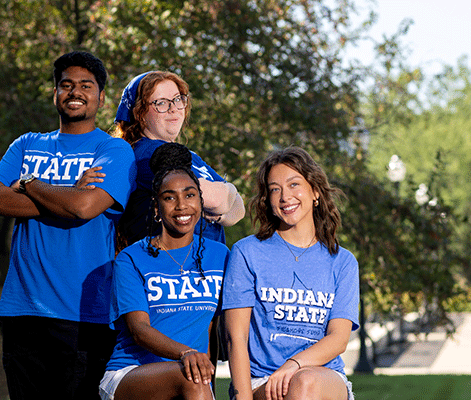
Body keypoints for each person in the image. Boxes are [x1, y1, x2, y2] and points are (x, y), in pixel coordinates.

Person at [0, 51, 136, 400]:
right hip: (23, 309)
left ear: (100, 96)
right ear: (55, 93)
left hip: (84, 313)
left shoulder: (113, 150)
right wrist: (64, 197)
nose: (74, 92)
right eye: (66, 85)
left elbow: (83, 208)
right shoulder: (26, 143)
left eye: (85, 85)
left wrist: (30, 183)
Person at [222, 147, 359, 400]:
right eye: (275, 189)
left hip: (322, 377)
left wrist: (294, 365)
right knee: (301, 384)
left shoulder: (343, 262)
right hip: (262, 380)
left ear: (315, 191)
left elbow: (339, 339)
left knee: (305, 382)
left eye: (294, 184)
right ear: (268, 199)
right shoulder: (247, 252)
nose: (285, 196)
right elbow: (236, 338)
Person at [99, 142, 229, 400]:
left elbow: (213, 327)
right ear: (157, 209)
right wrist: (186, 353)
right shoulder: (131, 258)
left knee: (195, 381)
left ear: (201, 204)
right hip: (131, 373)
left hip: (192, 376)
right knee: (192, 380)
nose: (182, 205)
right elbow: (139, 330)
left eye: (190, 195)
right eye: (170, 197)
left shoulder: (220, 256)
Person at [113, 71, 245, 248]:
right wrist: (229, 191)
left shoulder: (190, 155)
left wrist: (222, 205)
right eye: (161, 103)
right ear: (139, 113)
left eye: (177, 99)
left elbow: (239, 209)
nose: (173, 108)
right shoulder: (147, 154)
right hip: (172, 269)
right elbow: (215, 200)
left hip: (206, 266)